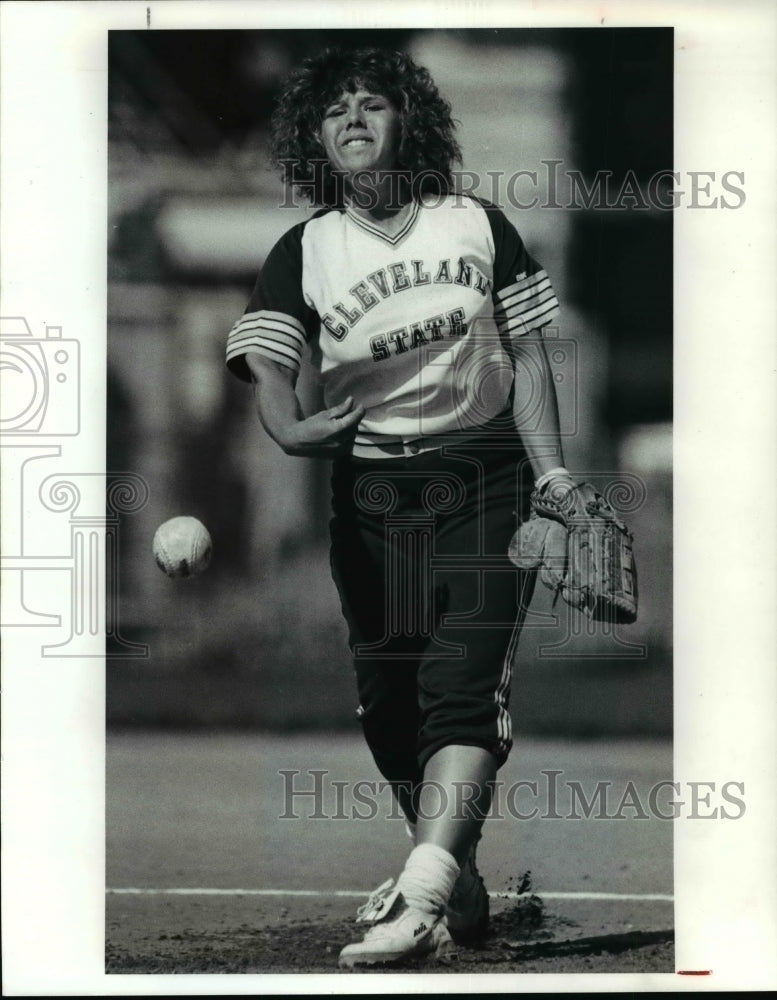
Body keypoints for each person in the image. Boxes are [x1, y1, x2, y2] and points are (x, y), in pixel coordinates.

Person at [225, 46, 574, 968]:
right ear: (312, 136)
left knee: (460, 688)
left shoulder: (473, 225)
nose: (350, 119)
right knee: (391, 708)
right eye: (332, 108)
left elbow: (531, 355)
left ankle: (417, 898)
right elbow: (267, 364)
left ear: (405, 122)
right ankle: (453, 874)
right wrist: (287, 429)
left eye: (370, 104)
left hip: (484, 475)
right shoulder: (304, 249)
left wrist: (556, 479)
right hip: (371, 495)